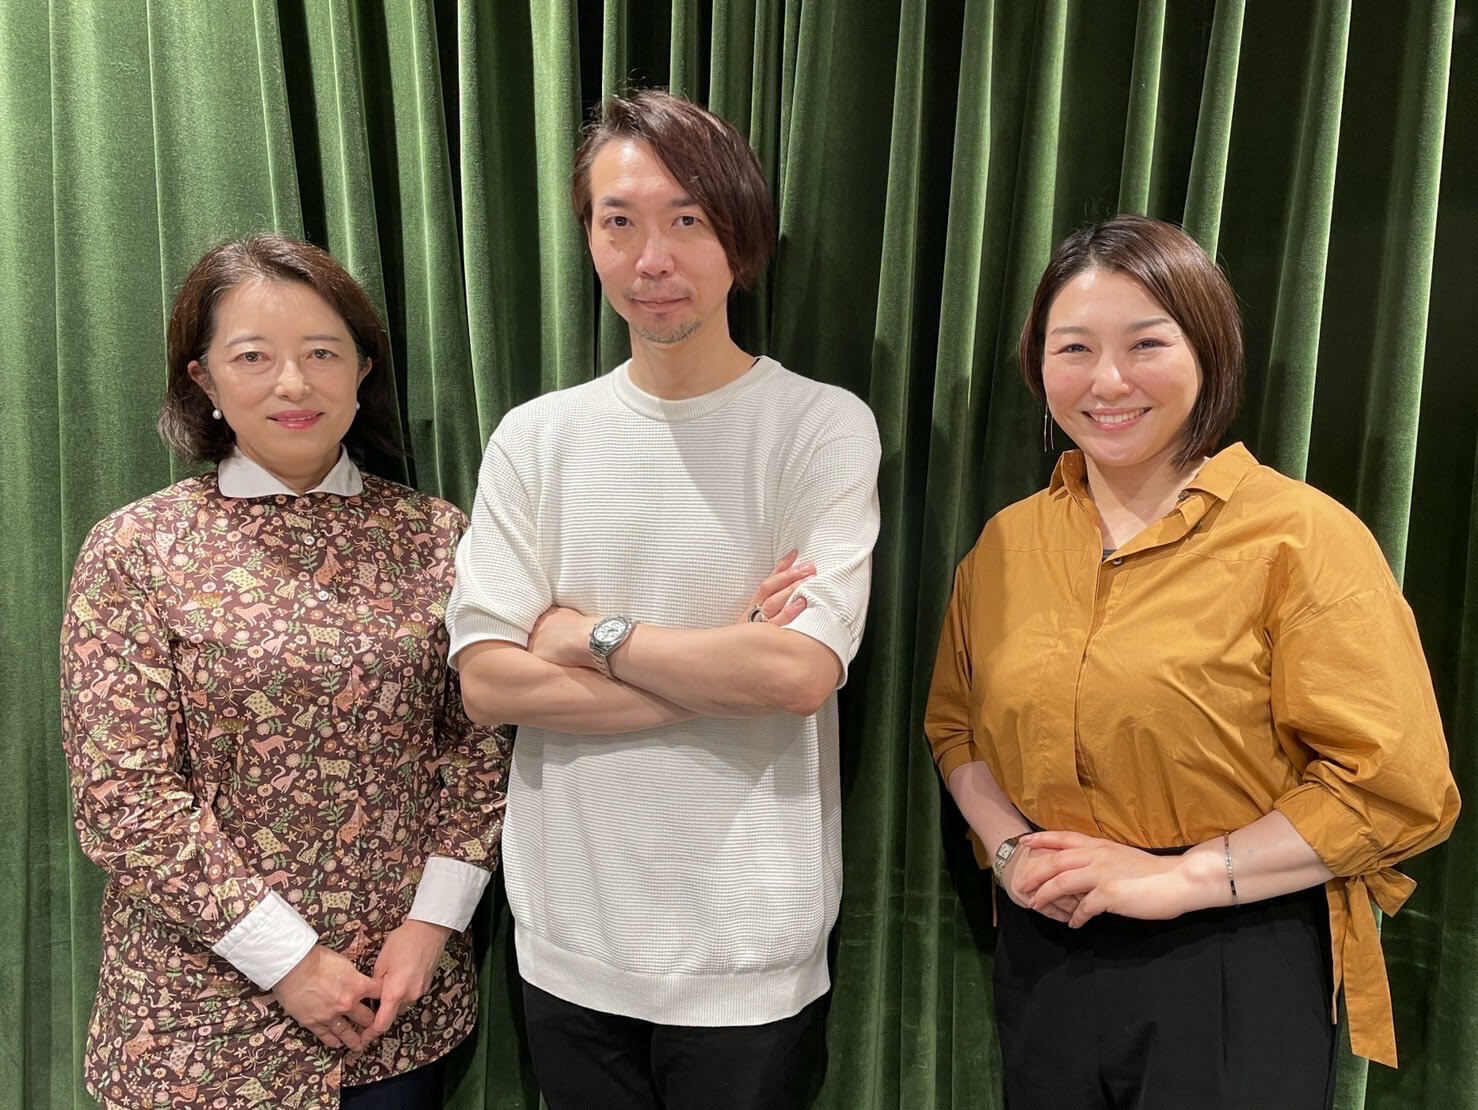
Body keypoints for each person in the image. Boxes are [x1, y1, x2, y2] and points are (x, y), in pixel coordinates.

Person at [924, 213, 1459, 1108]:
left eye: (1146, 344)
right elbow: (955, 725)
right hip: (1046, 947)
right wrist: (1011, 849)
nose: (1108, 380)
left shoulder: (1300, 537)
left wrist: (1180, 878)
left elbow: (1392, 784)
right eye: (1073, 348)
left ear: (1208, 352)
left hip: (1233, 951)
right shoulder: (1008, 544)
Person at [446, 89, 880, 1109]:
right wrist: (719, 663)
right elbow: (487, 687)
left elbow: (794, 676)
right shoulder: (535, 438)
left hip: (749, 945)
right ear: (589, 240)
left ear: (740, 235)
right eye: (619, 222)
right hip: (568, 940)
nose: (653, 259)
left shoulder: (820, 426)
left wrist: (584, 635)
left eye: (687, 219)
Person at [59, 233, 514, 1110]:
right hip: (196, 1021)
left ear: (363, 371)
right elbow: (124, 800)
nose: (293, 384)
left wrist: (434, 924)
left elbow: (479, 746)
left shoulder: (436, 536)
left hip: (395, 1006)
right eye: (253, 357)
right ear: (203, 379)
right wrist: (290, 961)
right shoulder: (136, 550)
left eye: (321, 354)